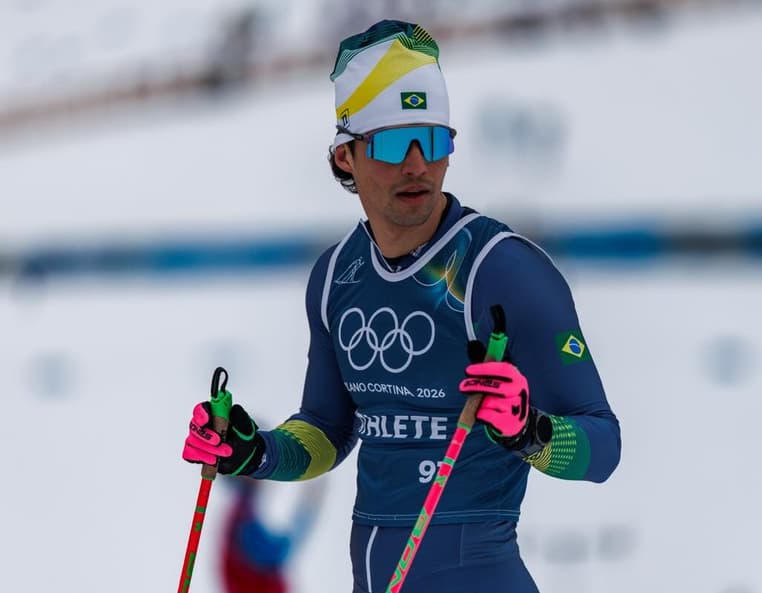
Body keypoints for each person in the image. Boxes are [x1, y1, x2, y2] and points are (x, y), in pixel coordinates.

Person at [183, 19, 621, 593]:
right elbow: (327, 430)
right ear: (345, 156)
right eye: (392, 143)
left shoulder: (503, 271)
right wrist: (254, 453)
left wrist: (527, 431)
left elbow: (602, 447)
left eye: (433, 140)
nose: (417, 164)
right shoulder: (337, 276)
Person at [218, 475, 325, 593]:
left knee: (285, 544)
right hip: (253, 555)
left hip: (248, 552)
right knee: (286, 544)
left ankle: (310, 499)